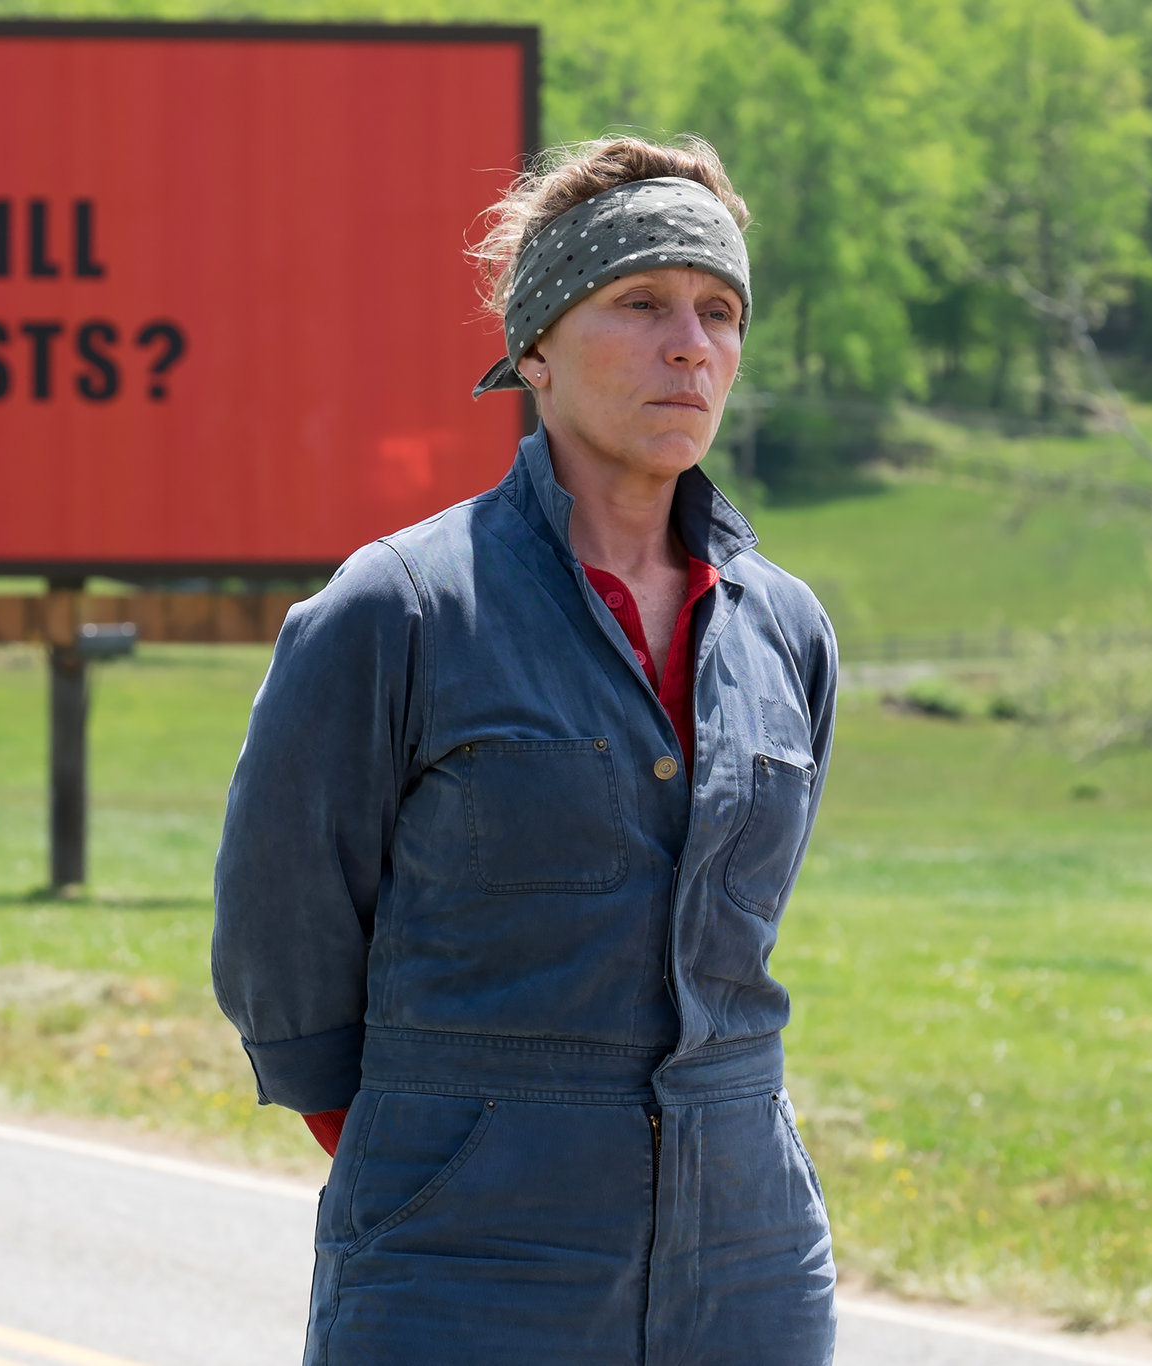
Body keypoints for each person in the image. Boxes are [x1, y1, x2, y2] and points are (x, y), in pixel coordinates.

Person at [211, 134, 838, 1365]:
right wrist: (441, 1140)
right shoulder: (396, 610)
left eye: (717, 311)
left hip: (747, 1256)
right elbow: (280, 928)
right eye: (639, 303)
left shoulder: (787, 630)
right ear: (536, 346)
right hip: (465, 1257)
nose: (688, 345)